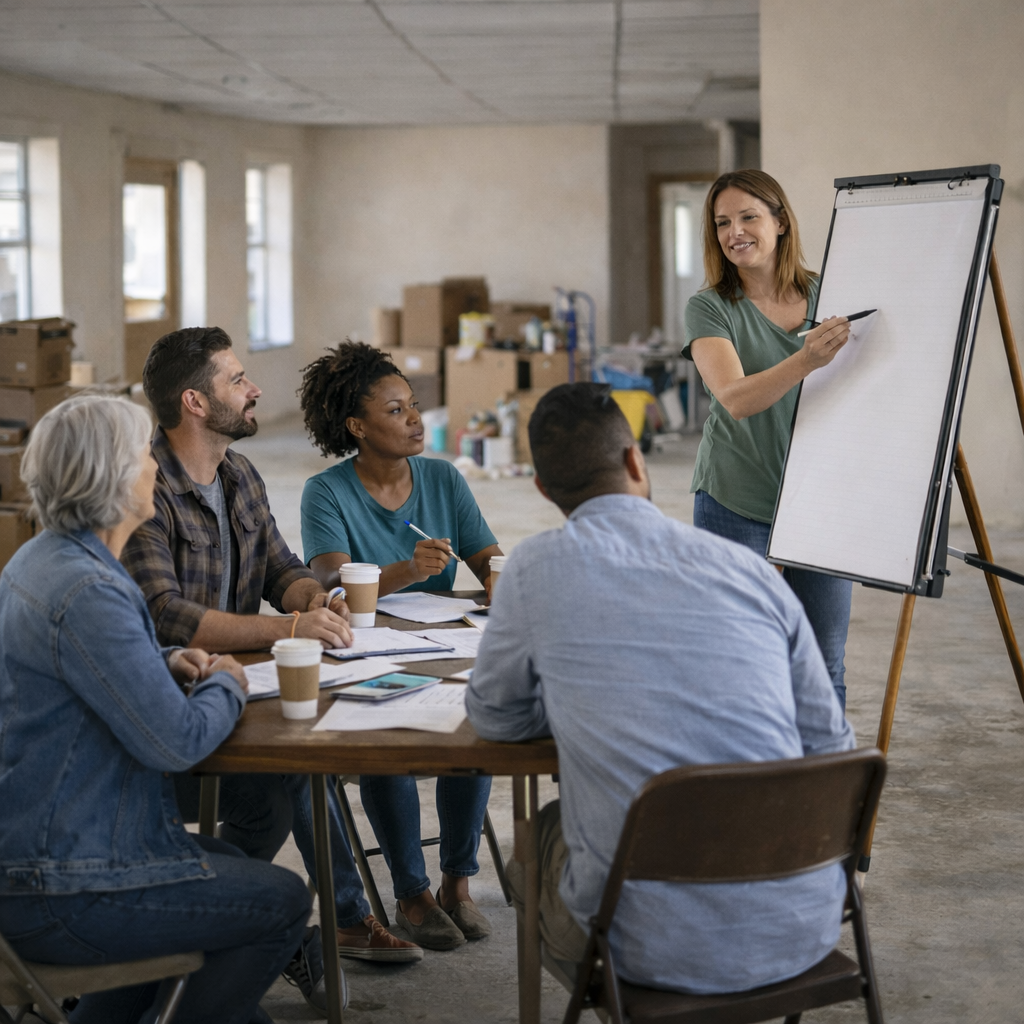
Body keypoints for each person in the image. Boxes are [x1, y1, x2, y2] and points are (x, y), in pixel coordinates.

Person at [466, 382, 856, 995]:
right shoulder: (751, 571)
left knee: (537, 839)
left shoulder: (534, 570)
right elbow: (831, 741)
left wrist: (580, 704)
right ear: (636, 462)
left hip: (645, 950)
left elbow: (493, 717)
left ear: (543, 491)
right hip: (805, 925)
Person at [121, 327, 422, 985]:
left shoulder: (239, 474)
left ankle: (235, 918)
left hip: (231, 690)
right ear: (196, 403)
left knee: (286, 784)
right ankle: (267, 918)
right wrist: (290, 625)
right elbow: (165, 615)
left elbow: (280, 567)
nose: (254, 389)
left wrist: (316, 596)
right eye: (236, 380)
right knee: (294, 774)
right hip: (167, 713)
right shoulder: (147, 488)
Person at [0, 395, 314, 1024]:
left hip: (39, 856)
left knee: (227, 864)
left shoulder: (42, 561)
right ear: (114, 478)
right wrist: (226, 679)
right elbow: (176, 743)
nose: (155, 467)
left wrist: (165, 658)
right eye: (144, 454)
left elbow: (91, 662)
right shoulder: (91, 589)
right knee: (280, 899)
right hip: (66, 884)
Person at [299, 341, 501, 951]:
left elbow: (489, 558)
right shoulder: (325, 492)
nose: (415, 419)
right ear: (356, 426)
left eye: (414, 406)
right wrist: (407, 570)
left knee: (479, 726)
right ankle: (411, 894)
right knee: (382, 742)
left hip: (440, 647)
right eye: (396, 410)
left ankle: (456, 884)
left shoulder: (442, 477)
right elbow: (334, 584)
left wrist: (497, 580)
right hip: (366, 653)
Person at [683, 169, 853, 709]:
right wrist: (806, 358)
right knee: (742, 660)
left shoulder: (833, 294)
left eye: (748, 216)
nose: (734, 232)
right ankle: (750, 788)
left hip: (819, 501)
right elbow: (734, 398)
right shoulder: (710, 306)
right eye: (722, 222)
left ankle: (824, 790)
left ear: (780, 221)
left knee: (823, 666)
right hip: (735, 496)